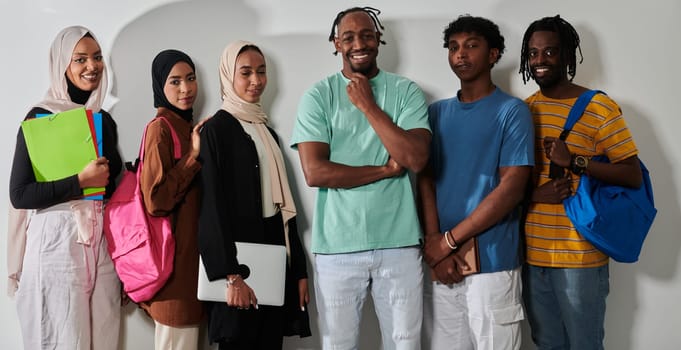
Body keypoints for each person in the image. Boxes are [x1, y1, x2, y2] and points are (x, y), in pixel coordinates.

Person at [290, 7, 431, 349]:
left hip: (398, 243)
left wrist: (369, 106)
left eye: (367, 34)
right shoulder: (318, 96)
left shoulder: (406, 91)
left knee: (404, 343)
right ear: (336, 43)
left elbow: (415, 158)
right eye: (349, 37)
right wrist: (383, 170)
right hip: (337, 247)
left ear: (378, 39)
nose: (359, 43)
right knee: (338, 344)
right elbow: (316, 172)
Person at [519, 15, 642, 350]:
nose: (540, 61)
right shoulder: (524, 110)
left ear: (568, 56)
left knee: (585, 344)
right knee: (546, 343)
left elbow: (631, 174)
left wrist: (574, 161)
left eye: (550, 52)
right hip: (534, 254)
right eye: (532, 54)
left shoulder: (598, 107)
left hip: (580, 257)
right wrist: (535, 194)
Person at [417, 15, 534, 350]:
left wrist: (449, 241)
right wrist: (436, 243)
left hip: (493, 264)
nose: (461, 54)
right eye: (453, 47)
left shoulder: (512, 112)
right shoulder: (436, 113)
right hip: (444, 266)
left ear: (494, 54)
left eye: (471, 45)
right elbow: (425, 179)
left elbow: (511, 189)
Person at [8, 26, 123, 349]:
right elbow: (20, 194)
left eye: (98, 58)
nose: (92, 66)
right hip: (55, 243)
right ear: (62, 65)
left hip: (98, 242)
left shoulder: (103, 121)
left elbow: (111, 190)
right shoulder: (41, 118)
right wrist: (79, 182)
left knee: (104, 338)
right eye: (80, 59)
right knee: (60, 339)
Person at [198, 40, 311, 350]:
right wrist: (231, 276)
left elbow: (285, 212)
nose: (256, 81)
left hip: (272, 258)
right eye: (245, 72)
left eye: (261, 72)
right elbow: (211, 209)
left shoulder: (266, 131)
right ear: (227, 76)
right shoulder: (216, 130)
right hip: (237, 266)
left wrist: (298, 272)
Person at [138, 49, 207, 350]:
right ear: (160, 88)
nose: (186, 89)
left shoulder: (188, 127)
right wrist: (192, 158)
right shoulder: (160, 129)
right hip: (174, 276)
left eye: (190, 79)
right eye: (175, 81)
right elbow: (156, 200)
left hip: (194, 272)